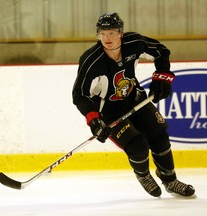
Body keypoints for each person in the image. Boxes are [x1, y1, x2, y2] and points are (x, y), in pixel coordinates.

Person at [72, 12, 195, 198]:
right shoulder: (91, 61)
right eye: (102, 33)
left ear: (121, 33)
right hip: (109, 111)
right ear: (97, 35)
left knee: (160, 138)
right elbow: (79, 94)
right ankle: (143, 175)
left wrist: (162, 76)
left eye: (112, 32)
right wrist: (93, 119)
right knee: (137, 146)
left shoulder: (134, 43)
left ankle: (170, 180)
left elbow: (161, 51)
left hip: (135, 99)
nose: (107, 38)